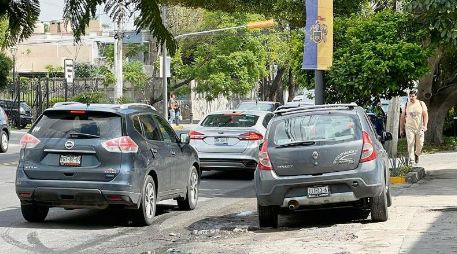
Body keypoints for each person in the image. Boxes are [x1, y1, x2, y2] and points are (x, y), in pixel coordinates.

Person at [400, 90, 429, 165]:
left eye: (413, 96)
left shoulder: (421, 103)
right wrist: (401, 129)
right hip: (409, 127)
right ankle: (411, 160)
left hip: (419, 127)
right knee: (410, 143)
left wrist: (425, 125)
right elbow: (402, 117)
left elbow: (425, 115)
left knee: (420, 143)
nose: (411, 98)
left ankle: (417, 154)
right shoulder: (406, 105)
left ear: (416, 96)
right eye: (410, 96)